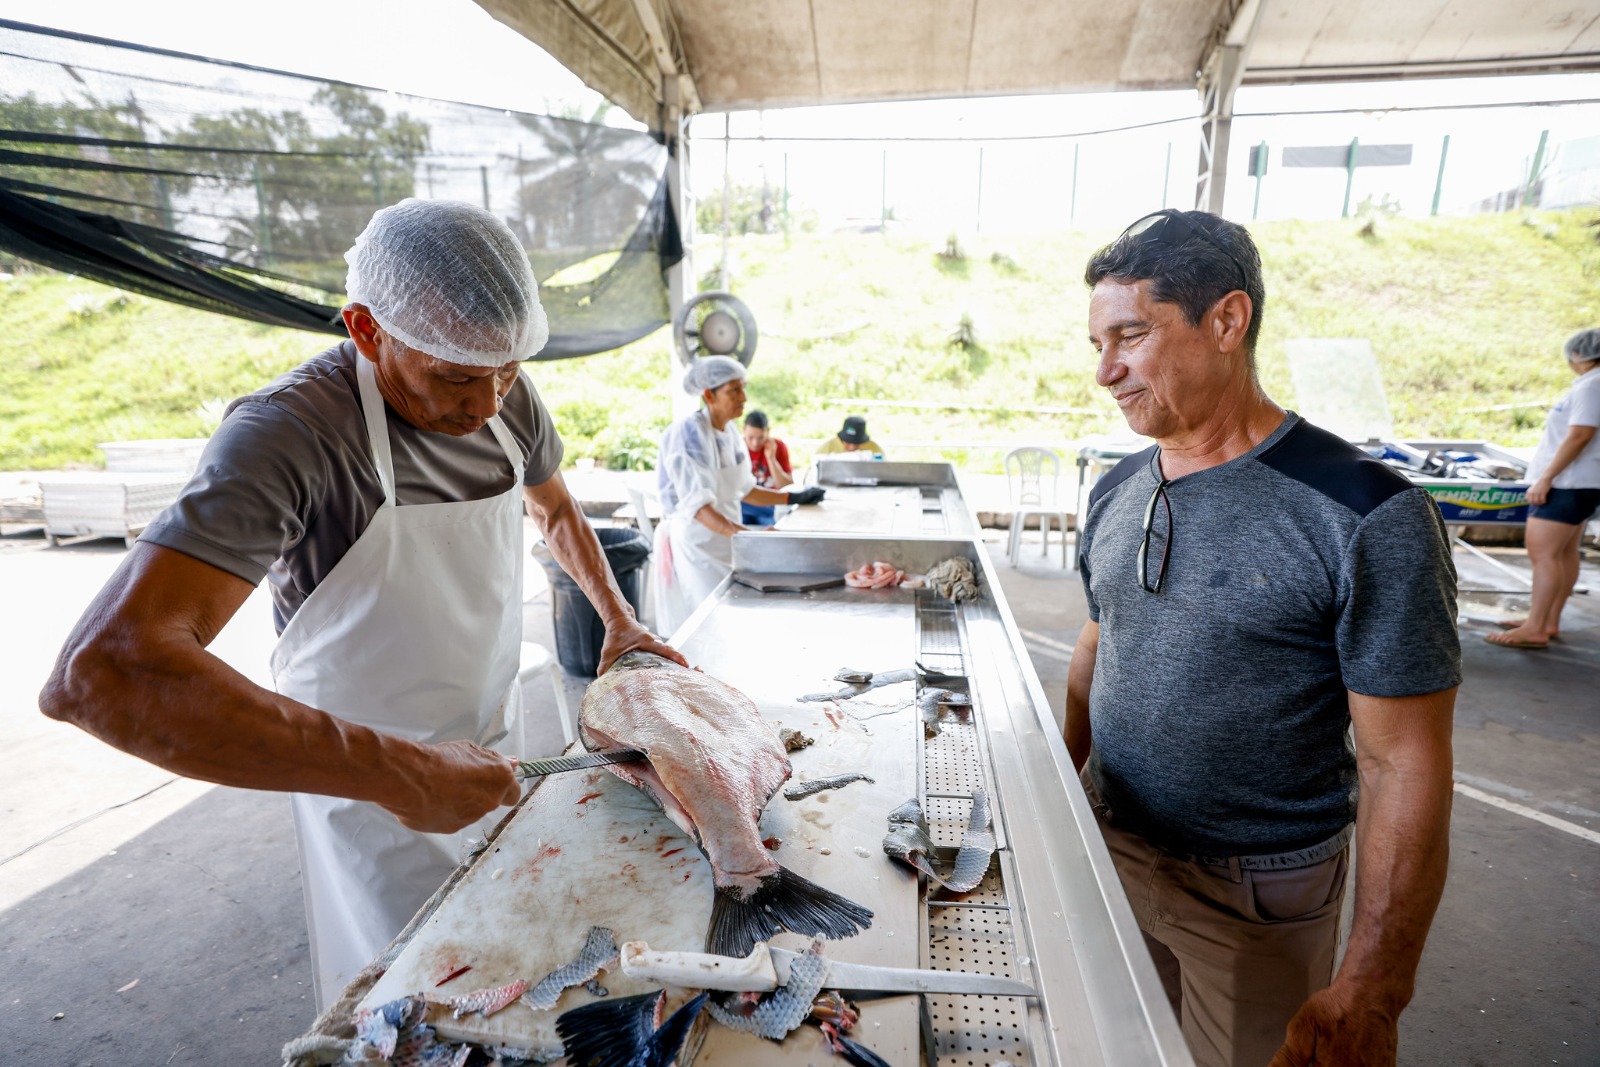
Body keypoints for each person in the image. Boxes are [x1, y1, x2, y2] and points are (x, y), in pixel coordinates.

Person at [37, 199, 682, 1009]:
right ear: (366, 329)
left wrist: (621, 619)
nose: (486, 405)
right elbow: (107, 673)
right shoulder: (288, 435)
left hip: (493, 750)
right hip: (367, 789)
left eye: (506, 370)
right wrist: (398, 771)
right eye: (453, 375)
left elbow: (553, 509)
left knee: (517, 980)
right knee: (406, 1007)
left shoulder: (501, 392)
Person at [1067, 208, 1461, 1067]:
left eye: (1130, 335)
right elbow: (1098, 649)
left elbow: (1406, 762)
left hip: (1256, 900)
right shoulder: (1116, 489)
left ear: (1227, 320)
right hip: (1113, 853)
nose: (1106, 371)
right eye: (1097, 342)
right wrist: (1053, 814)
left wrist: (1374, 988)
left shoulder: (1365, 513)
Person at [653, 357, 824, 635]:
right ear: (709, 394)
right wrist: (748, 538)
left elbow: (745, 490)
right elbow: (699, 508)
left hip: (727, 538)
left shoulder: (730, 432)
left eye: (743, 388)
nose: (744, 398)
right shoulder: (689, 434)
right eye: (734, 390)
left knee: (730, 619)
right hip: (699, 545)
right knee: (709, 624)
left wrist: (793, 498)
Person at [1485, 327, 1600, 649]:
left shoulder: (1592, 385)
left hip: (1567, 483)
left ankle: (1535, 628)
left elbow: (1579, 435)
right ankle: (1547, 620)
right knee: (1563, 553)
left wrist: (1547, 477)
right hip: (1582, 483)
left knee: (1544, 554)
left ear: (1577, 355)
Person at [741, 409, 793, 526]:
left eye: (760, 438)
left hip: (770, 503)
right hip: (746, 504)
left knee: (775, 522)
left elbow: (787, 486)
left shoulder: (778, 446)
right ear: (743, 430)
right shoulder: (737, 447)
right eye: (750, 437)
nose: (755, 443)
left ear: (768, 431)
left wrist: (771, 459)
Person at [815, 414, 881, 456]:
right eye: (847, 442)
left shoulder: (874, 449)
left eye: (856, 443)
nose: (852, 447)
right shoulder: (827, 448)